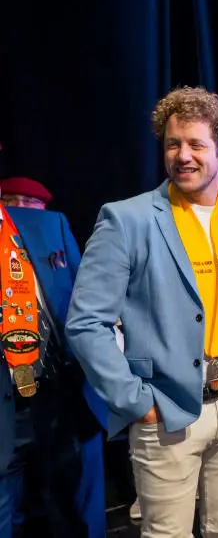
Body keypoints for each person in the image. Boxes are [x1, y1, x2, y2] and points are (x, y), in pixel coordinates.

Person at [66, 86, 218, 537]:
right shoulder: (127, 219)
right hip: (166, 410)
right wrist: (138, 403)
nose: (183, 155)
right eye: (173, 143)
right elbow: (85, 323)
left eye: (196, 144)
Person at [0, 187, 106, 537]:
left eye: (29, 204)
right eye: (11, 202)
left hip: (60, 381)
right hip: (8, 394)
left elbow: (82, 301)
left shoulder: (51, 227)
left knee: (72, 487)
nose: (21, 211)